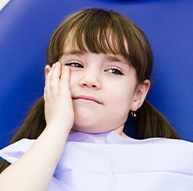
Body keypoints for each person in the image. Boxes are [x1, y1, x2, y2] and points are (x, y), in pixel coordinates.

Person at [0, 8, 192, 191]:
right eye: (75, 64)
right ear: (51, 79)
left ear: (138, 94)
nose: (90, 80)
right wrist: (58, 124)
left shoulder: (178, 158)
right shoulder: (28, 159)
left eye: (113, 70)